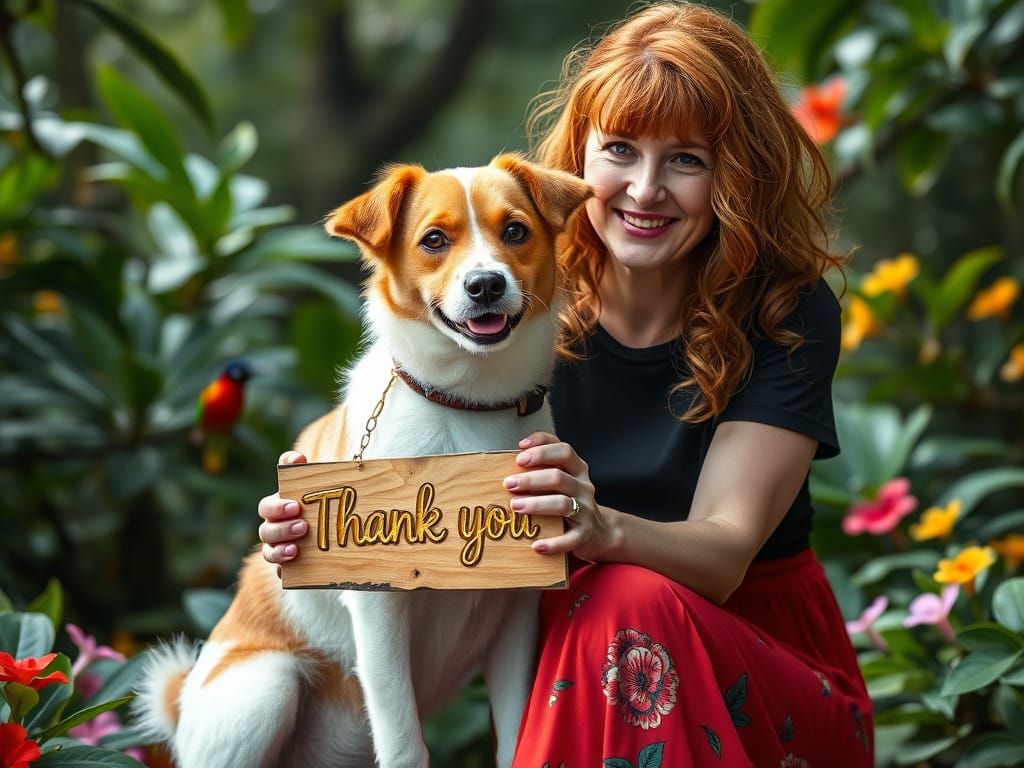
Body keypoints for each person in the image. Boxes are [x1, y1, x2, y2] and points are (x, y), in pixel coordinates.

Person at [259, 3, 873, 765]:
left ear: (735, 175)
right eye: (621, 150)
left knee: (622, 594)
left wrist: (602, 528)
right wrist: (323, 522)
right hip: (585, 661)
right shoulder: (520, 305)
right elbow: (416, 463)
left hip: (759, 667)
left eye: (686, 159)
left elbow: (724, 554)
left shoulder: (784, 309)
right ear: (580, 157)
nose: (645, 190)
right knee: (597, 607)